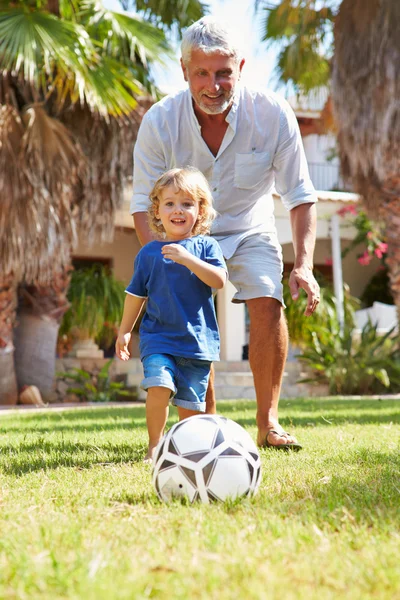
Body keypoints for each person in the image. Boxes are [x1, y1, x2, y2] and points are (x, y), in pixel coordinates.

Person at [131, 17, 320, 451]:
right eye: (201, 73)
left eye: (223, 73)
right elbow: (143, 202)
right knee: (190, 309)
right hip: (183, 232)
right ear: (184, 71)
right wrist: (161, 263)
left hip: (251, 224)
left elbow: (299, 193)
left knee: (267, 299)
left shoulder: (272, 114)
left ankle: (268, 423)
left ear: (241, 67)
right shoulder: (160, 122)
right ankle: (204, 422)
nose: (212, 85)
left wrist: (305, 264)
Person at [116, 167, 227, 462]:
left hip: (197, 343)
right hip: (159, 338)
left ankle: (183, 450)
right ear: (157, 210)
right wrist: (125, 330)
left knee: (191, 406)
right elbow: (136, 294)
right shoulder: (149, 253)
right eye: (170, 203)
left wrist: (189, 259)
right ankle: (155, 444)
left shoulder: (206, 246)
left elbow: (219, 280)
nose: (178, 210)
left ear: (200, 211)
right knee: (159, 385)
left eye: (187, 204)